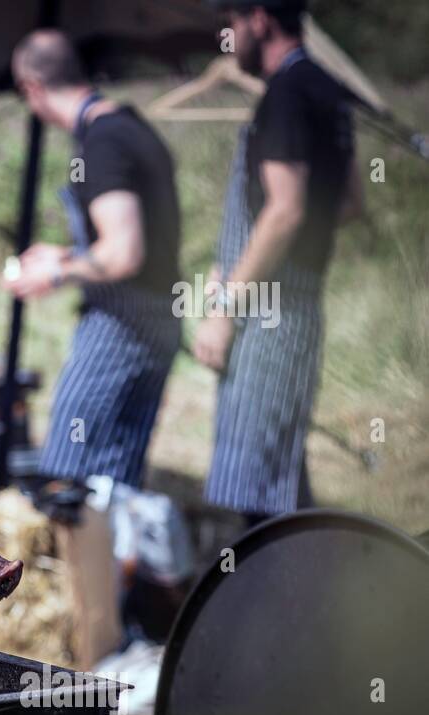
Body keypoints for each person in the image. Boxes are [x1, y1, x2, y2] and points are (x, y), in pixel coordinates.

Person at [195, 0, 361, 525]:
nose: (228, 36)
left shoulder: (286, 93)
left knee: (260, 496)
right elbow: (350, 201)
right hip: (296, 307)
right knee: (279, 480)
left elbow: (286, 210)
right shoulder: (328, 90)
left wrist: (224, 308)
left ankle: (286, 603)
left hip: (270, 318)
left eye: (232, 23)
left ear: (259, 18)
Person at [2, 30, 182, 490]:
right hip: (159, 317)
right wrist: (63, 252)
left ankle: (86, 562)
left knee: (70, 468)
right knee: (117, 477)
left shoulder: (103, 143)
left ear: (32, 87)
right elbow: (141, 239)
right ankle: (116, 562)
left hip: (121, 326)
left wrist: (56, 272)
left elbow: (124, 254)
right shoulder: (130, 125)